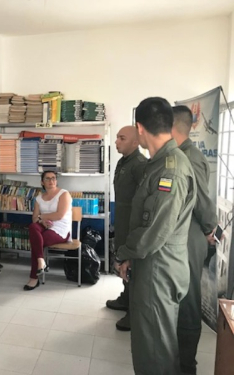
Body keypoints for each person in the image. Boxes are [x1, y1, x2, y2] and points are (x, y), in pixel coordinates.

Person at [116, 97, 197, 375]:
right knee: (154, 344)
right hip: (152, 265)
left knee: (154, 352)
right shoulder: (159, 162)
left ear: (140, 128)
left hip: (158, 271)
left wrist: (124, 253)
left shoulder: (169, 169)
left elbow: (154, 231)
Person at [172, 105, 218, 375]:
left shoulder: (190, 157)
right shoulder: (178, 155)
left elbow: (202, 200)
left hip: (191, 236)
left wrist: (210, 227)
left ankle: (187, 366)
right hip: (181, 235)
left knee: (188, 301)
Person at [105, 126, 147, 331]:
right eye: (117, 137)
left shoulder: (140, 165)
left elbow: (144, 200)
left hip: (132, 224)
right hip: (122, 222)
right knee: (123, 263)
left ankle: (134, 312)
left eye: (122, 138)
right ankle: (125, 298)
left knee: (133, 269)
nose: (116, 142)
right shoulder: (124, 161)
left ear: (135, 142)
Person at [24, 171, 72, 291]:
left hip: (61, 228)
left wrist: (41, 217)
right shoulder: (39, 198)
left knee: (36, 242)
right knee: (32, 227)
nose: (51, 181)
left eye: (53, 178)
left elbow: (60, 215)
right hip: (44, 225)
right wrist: (41, 221)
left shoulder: (64, 194)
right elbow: (34, 219)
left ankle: (33, 277)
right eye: (47, 179)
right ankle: (41, 260)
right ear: (42, 182)